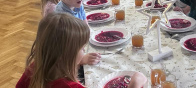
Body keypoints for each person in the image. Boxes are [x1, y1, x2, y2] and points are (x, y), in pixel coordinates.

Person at [16, 13, 147, 88]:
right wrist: (134, 84)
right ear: (67, 55)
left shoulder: (35, 67)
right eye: (82, 48)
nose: (83, 50)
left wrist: (79, 60)